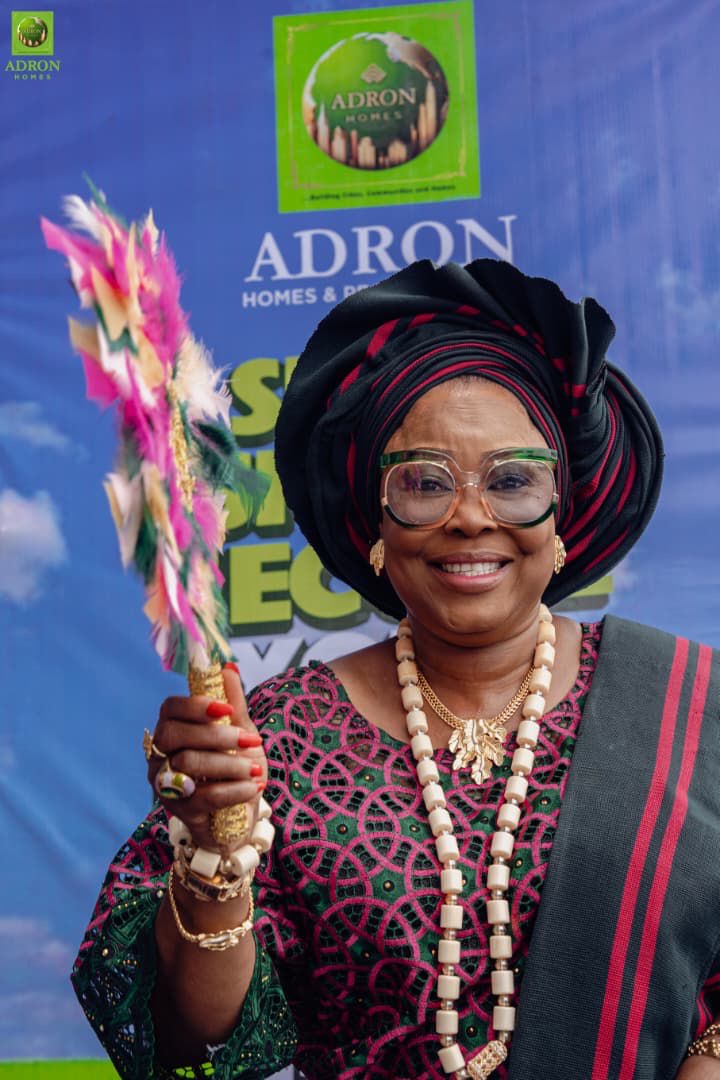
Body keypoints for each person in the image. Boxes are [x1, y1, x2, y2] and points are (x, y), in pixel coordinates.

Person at [72, 259, 720, 1080]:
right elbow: (198, 1040)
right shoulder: (279, 738)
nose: (471, 517)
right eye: (423, 483)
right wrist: (213, 856)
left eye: (513, 480)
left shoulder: (692, 711)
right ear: (376, 524)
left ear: (562, 513)